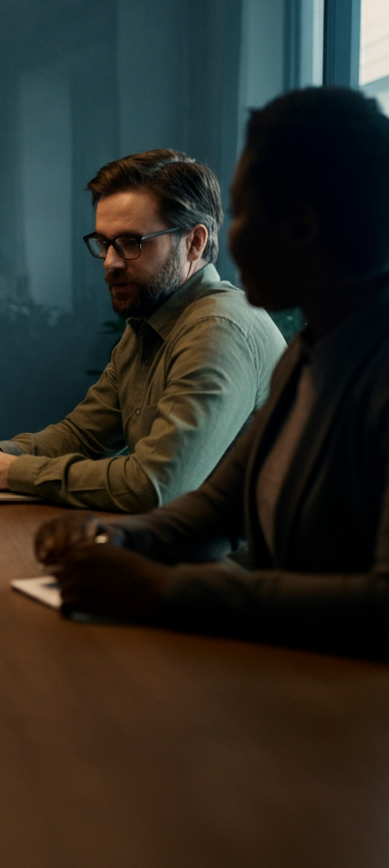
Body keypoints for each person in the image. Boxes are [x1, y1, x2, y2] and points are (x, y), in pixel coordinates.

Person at [35, 86, 389, 657]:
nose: (226, 240)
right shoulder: (313, 350)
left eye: (243, 212)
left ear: (300, 227)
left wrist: (163, 589)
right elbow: (221, 504)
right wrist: (118, 535)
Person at [0, 149, 286, 511]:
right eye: (104, 243)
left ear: (195, 242)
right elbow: (81, 436)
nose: (110, 262)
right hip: (165, 548)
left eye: (130, 243)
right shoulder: (149, 318)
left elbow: (155, 486)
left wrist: (11, 471)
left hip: (228, 568)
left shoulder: (217, 329)